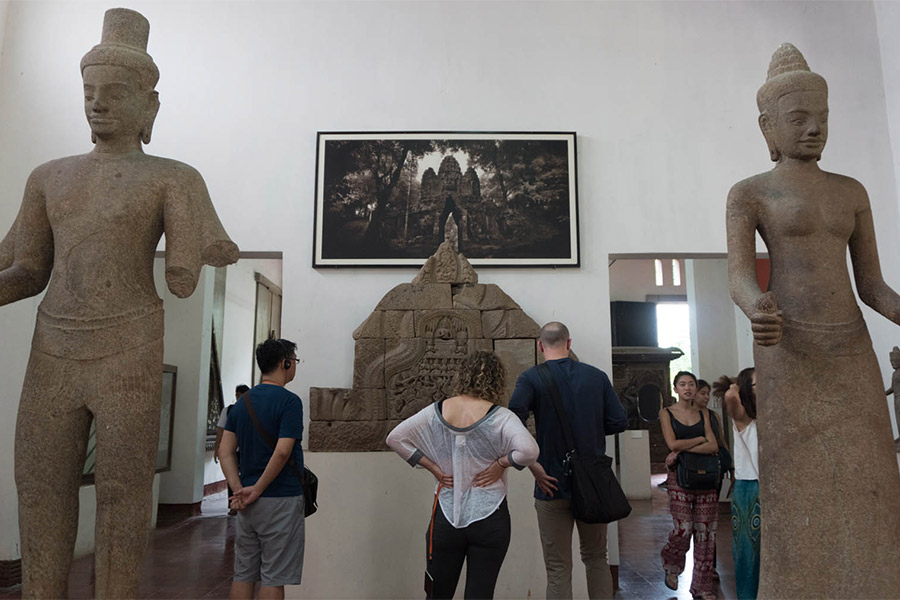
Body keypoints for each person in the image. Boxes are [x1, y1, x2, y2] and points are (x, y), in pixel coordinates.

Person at [0, 9, 238, 597]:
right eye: (89, 92)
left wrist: (195, 254)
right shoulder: (48, 177)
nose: (96, 104)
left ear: (149, 106)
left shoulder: (172, 178)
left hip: (130, 343)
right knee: (39, 484)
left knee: (125, 492)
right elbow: (26, 268)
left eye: (113, 93)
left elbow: (187, 268)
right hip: (53, 342)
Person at [726, 43, 900, 597]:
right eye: (798, 119)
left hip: (850, 345)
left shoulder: (851, 192)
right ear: (768, 126)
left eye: (821, 119)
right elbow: (739, 277)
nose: (813, 130)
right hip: (787, 348)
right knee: (796, 483)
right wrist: (757, 307)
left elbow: (872, 286)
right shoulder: (750, 193)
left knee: (870, 472)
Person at [386, 351, 539, 599]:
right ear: (497, 380)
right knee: (480, 595)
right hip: (490, 516)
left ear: (462, 376)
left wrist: (433, 467)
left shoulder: (436, 411)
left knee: (437, 594)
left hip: (445, 517)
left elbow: (395, 439)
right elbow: (529, 452)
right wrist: (501, 463)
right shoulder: (502, 417)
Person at [508, 322, 627, 600]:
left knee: (558, 567)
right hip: (593, 482)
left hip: (550, 481)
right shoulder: (596, 377)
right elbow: (619, 421)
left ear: (540, 346)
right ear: (569, 343)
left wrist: (532, 463)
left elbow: (512, 420)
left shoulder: (531, 378)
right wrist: (590, 431)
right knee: (597, 558)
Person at [219, 339, 305, 600]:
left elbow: (225, 451)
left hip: (247, 503)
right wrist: (257, 489)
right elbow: (282, 451)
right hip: (281, 498)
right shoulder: (290, 402)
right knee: (273, 576)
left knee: (243, 573)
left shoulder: (243, 403)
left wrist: (239, 491)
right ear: (285, 363)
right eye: (294, 361)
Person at [659, 371, 719, 600]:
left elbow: (713, 446)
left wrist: (681, 449)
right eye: (682, 384)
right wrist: (698, 440)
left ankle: (703, 587)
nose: (687, 388)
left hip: (706, 477)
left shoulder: (703, 413)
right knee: (683, 527)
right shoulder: (666, 413)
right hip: (681, 477)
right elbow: (671, 442)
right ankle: (671, 563)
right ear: (675, 389)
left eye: (691, 384)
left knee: (706, 534)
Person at [714, 368, 759, 600]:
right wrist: (735, 385)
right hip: (749, 490)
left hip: (767, 487)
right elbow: (731, 396)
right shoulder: (742, 417)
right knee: (748, 554)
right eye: (756, 384)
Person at [694, 379, 731, 583]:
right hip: (694, 473)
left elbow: (721, 442)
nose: (706, 397)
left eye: (708, 393)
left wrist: (731, 467)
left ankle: (711, 566)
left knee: (710, 521)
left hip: (712, 472)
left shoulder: (714, 416)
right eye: (703, 393)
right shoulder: (689, 417)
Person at [214, 384, 251, 515]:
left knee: (246, 474)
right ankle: (233, 504)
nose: (238, 398)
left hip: (247, 449)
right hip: (232, 449)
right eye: (237, 395)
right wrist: (217, 448)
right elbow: (221, 430)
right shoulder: (229, 410)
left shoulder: (252, 410)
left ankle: (246, 499)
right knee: (232, 475)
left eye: (241, 395)